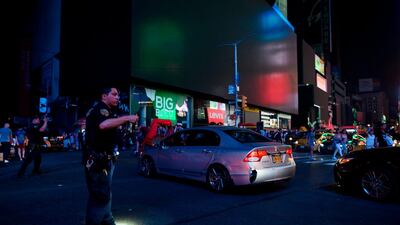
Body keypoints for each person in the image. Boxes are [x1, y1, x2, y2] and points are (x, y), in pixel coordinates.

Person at [83, 87, 139, 225]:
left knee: (103, 194)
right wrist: (126, 118)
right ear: (104, 96)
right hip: (99, 161)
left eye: (118, 95)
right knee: (100, 196)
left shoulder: (107, 111)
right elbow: (103, 125)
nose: (117, 97)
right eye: (114, 94)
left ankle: (108, 221)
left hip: (102, 160)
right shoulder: (101, 109)